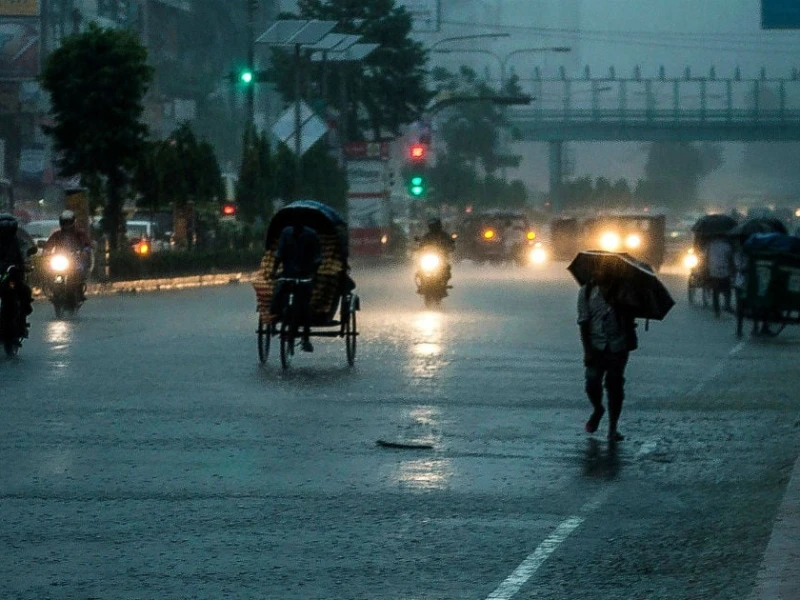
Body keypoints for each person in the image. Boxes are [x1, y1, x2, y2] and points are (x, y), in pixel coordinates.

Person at [577, 270, 638, 442]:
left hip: (618, 345)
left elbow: (633, 312)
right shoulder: (586, 291)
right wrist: (587, 351)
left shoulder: (624, 291)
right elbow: (583, 323)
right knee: (592, 382)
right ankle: (598, 409)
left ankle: (613, 427)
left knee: (615, 386)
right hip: (595, 345)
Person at [270, 214, 322, 352]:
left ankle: (305, 338)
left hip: (305, 275)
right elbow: (279, 254)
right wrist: (274, 271)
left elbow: (317, 257)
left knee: (304, 306)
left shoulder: (311, 235)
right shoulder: (286, 233)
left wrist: (313, 273)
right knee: (278, 294)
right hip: (287, 274)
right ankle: (275, 317)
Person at [43, 210, 93, 301]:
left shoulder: (79, 233)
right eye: (64, 222)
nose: (66, 224)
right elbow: (48, 245)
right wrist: (46, 252)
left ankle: (79, 290)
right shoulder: (57, 234)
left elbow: (87, 243)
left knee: (80, 271)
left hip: (76, 259)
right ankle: (52, 289)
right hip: (60, 259)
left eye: (68, 222)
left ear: (73, 221)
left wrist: (85, 251)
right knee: (50, 272)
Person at [0, 214, 34, 331]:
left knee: (24, 291)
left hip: (13, 274)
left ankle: (21, 318)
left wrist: (25, 263)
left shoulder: (19, 240)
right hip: (1, 274)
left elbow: (27, 249)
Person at [705, 234, 734, 318]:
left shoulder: (710, 245)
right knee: (727, 290)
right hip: (724, 271)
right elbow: (730, 258)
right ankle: (727, 305)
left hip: (713, 271)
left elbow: (706, 257)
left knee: (715, 292)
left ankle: (716, 310)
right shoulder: (727, 246)